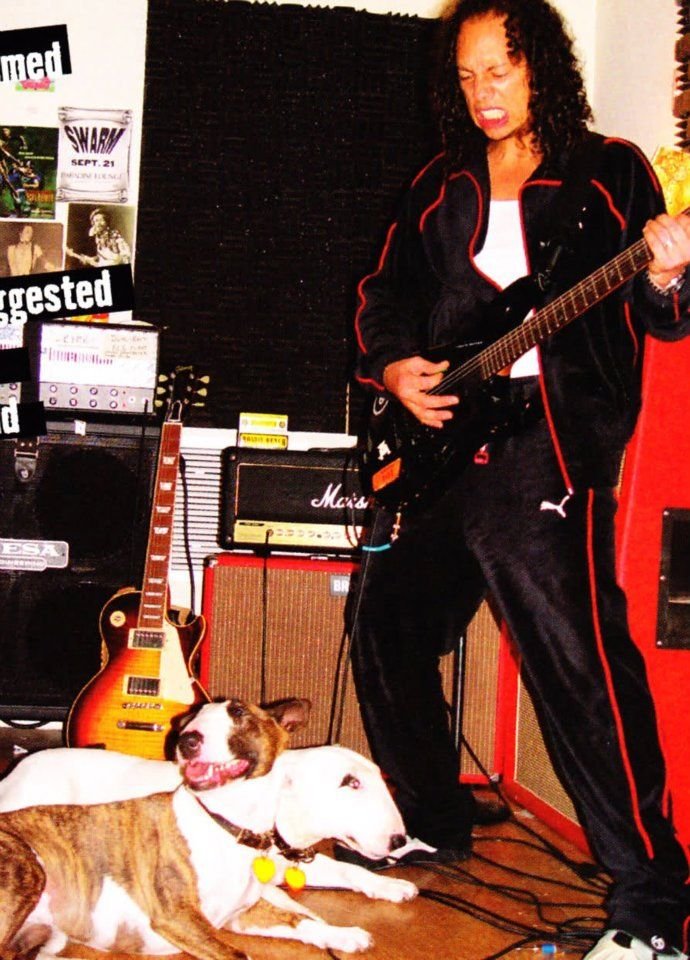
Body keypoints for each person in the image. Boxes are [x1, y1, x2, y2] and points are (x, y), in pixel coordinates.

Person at [347, 2, 690, 959]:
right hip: (447, 441)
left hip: (549, 442)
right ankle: (432, 818)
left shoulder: (610, 169)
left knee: (574, 666)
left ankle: (653, 905)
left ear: (541, 65)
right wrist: (392, 368)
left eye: (499, 69)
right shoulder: (436, 185)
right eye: (466, 76)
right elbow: (382, 298)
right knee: (386, 625)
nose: (483, 92)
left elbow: (660, 314)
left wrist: (667, 278)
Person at [66, 208, 131, 268]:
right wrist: (91, 259)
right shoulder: (97, 238)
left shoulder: (115, 236)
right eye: (96, 221)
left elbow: (122, 256)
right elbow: (103, 257)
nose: (98, 223)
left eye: (101, 220)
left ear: (106, 222)